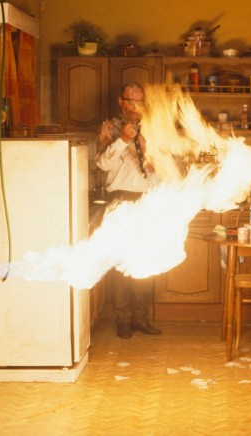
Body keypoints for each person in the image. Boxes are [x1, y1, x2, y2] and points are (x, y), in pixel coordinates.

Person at [96, 82, 162, 339]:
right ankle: (123, 320)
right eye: (130, 101)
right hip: (121, 202)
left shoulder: (153, 130)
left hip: (147, 203)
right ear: (120, 101)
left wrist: (154, 162)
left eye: (140, 101)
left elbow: (158, 170)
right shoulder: (109, 128)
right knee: (122, 264)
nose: (135, 107)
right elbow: (101, 164)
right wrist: (123, 139)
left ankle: (141, 318)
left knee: (145, 261)